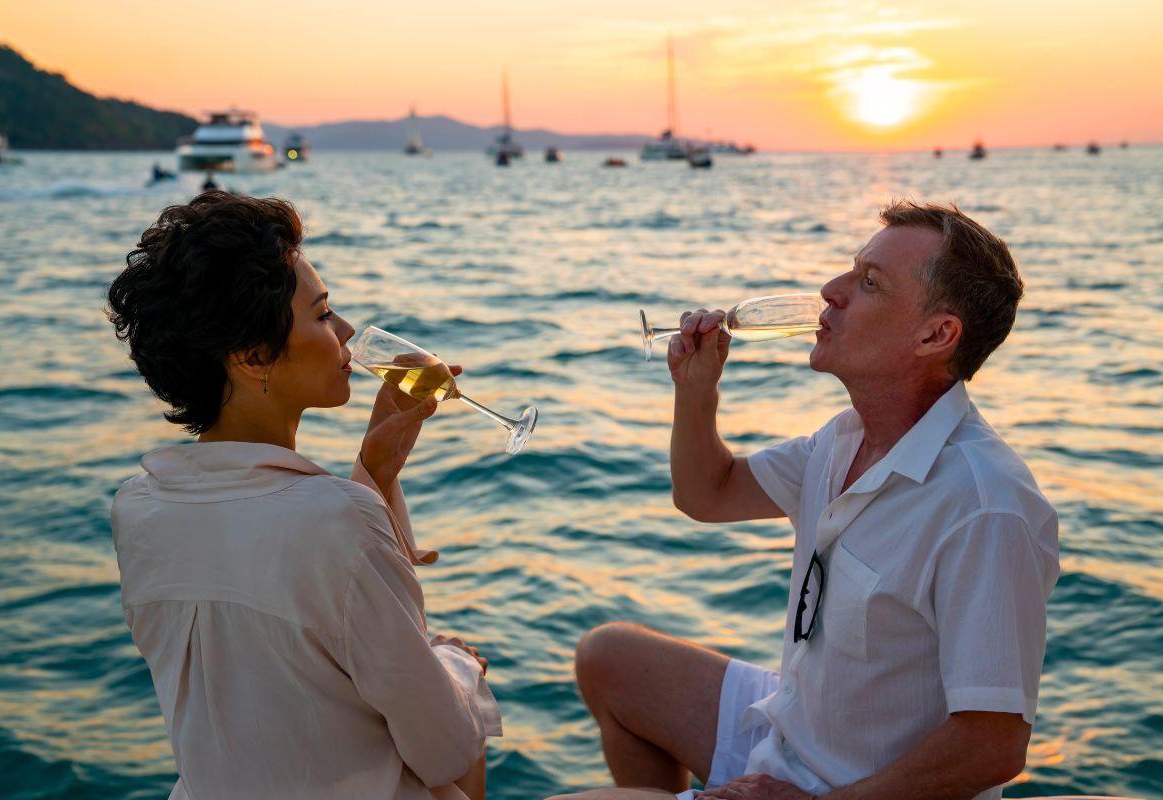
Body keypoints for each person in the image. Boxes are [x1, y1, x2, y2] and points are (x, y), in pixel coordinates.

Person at [555, 201, 1059, 800]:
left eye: (869, 283)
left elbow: (993, 745)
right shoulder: (845, 438)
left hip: (850, 788)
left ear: (935, 334)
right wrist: (696, 392)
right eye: (852, 270)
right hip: (795, 734)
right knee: (608, 657)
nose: (830, 290)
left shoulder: (985, 504)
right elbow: (705, 494)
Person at [107, 190, 500, 800]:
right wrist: (458, 666)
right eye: (321, 315)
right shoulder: (336, 520)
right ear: (252, 356)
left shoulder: (138, 507)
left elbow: (278, 675)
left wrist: (376, 471)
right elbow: (446, 748)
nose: (345, 331)